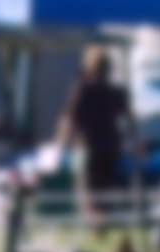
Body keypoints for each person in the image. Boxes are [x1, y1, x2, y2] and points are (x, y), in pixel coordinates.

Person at [55, 47, 137, 233]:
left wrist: (60, 147)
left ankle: (95, 223)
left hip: (89, 147)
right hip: (111, 147)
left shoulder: (82, 90)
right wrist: (137, 144)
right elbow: (130, 120)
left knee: (86, 189)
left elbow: (69, 119)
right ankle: (102, 222)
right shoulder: (116, 92)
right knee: (105, 188)